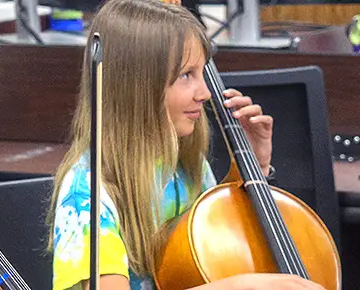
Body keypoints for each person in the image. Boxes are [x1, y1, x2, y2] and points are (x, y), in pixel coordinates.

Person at [46, 1, 324, 289]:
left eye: (202, 73)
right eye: (186, 75)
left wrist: (253, 168)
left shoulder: (184, 164)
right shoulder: (86, 195)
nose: (204, 92)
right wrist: (238, 286)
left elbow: (209, 255)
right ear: (139, 87)